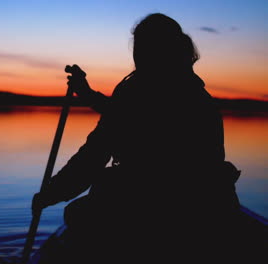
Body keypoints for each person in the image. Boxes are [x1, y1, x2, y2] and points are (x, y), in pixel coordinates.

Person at [31, 13, 254, 262]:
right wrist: (87, 94)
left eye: (141, 47)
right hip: (207, 204)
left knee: (77, 214)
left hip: (147, 204)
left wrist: (51, 194)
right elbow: (134, 117)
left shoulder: (136, 92)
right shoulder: (196, 93)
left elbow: (95, 155)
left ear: (147, 51)